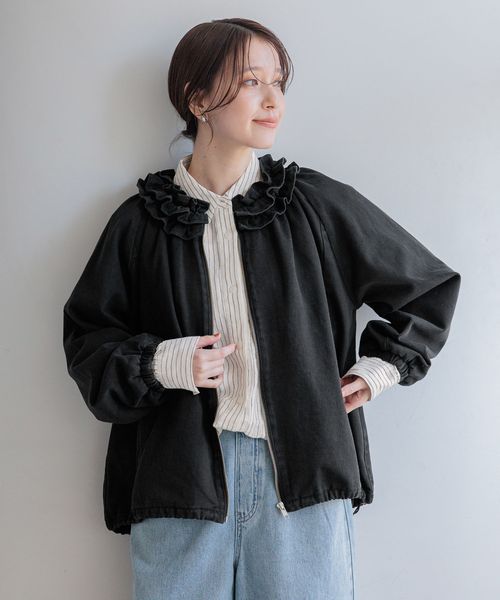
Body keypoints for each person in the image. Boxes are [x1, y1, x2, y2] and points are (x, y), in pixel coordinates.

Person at [62, 17, 461, 600]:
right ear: (198, 99)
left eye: (278, 82)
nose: (273, 100)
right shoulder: (141, 222)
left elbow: (426, 289)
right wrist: (166, 363)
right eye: (252, 81)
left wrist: (378, 370)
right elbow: (89, 342)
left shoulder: (314, 205)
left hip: (301, 477)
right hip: (180, 481)